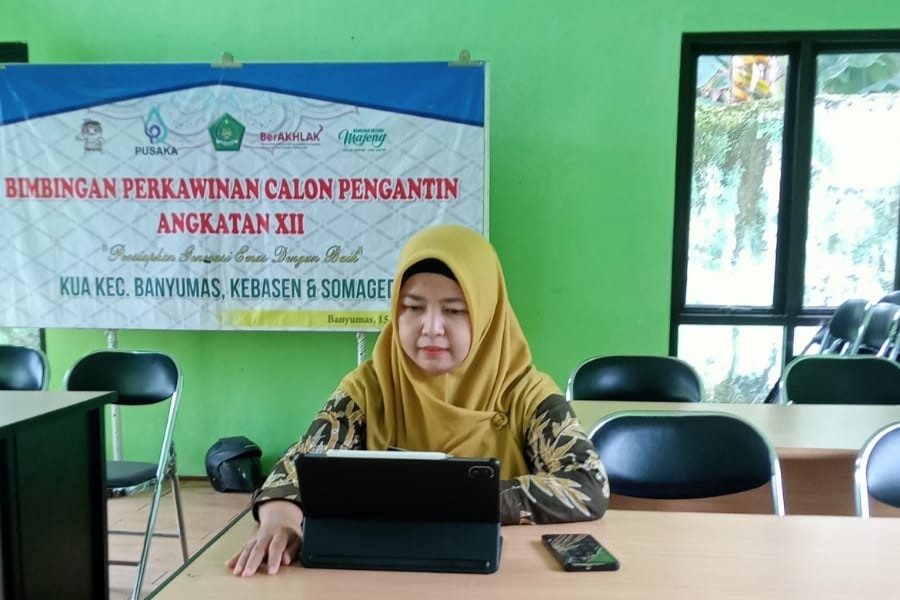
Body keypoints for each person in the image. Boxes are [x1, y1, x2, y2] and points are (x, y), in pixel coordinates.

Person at [228, 224, 609, 577]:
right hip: (386, 575)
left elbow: (588, 485)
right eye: (412, 307)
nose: (431, 327)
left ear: (487, 315)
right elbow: (297, 467)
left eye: (454, 310)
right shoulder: (372, 386)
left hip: (495, 577)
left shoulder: (526, 393)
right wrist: (280, 519)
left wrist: (453, 497)